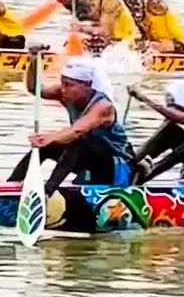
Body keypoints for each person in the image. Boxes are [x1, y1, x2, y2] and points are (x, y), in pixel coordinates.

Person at [8, 54, 136, 193]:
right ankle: (11, 184)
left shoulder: (103, 106)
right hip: (90, 160)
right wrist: (34, 59)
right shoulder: (65, 93)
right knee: (45, 148)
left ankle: (48, 191)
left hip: (117, 166)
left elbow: (77, 130)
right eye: (62, 83)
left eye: (69, 85)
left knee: (76, 141)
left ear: (87, 85)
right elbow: (35, 89)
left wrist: (50, 138)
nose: (63, 89)